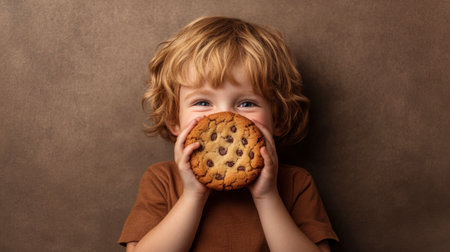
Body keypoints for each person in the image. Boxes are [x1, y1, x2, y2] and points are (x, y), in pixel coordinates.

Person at [118, 16, 339, 252]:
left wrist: (267, 196)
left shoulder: (296, 183)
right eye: (203, 102)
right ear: (174, 121)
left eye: (246, 103)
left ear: (280, 120)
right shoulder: (162, 180)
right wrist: (193, 196)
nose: (223, 118)